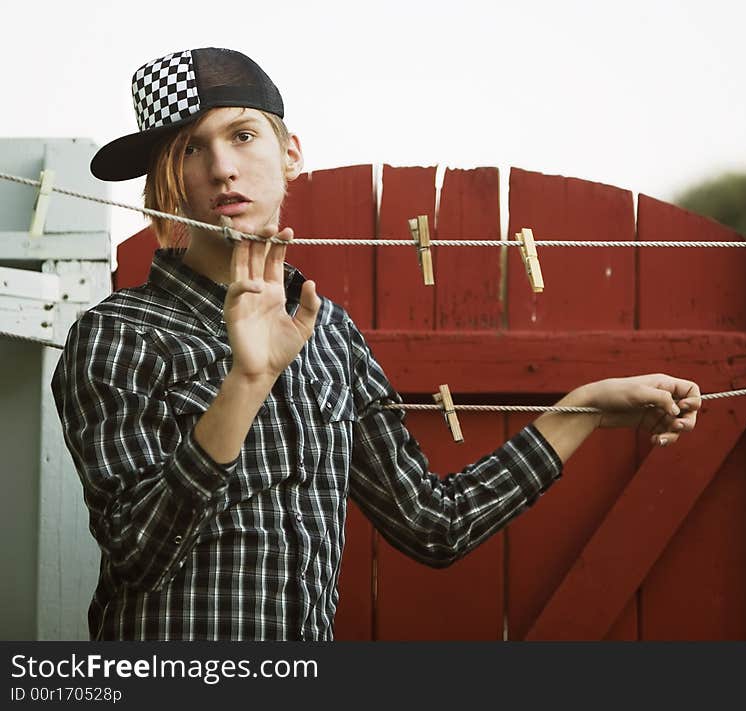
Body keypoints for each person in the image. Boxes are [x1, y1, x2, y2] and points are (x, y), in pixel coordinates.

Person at [52, 47, 702, 641]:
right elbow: (138, 553)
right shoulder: (117, 335)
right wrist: (245, 383)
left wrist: (582, 407)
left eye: (243, 135)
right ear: (166, 176)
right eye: (192, 148)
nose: (223, 168)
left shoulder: (328, 333)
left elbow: (432, 521)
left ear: (290, 153)